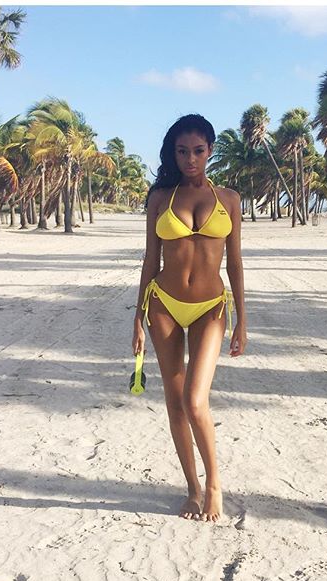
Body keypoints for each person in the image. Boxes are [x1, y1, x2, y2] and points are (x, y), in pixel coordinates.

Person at [131, 114, 247, 523]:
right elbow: (150, 259)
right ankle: (193, 489)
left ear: (210, 150)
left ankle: (214, 484)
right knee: (175, 401)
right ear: (174, 153)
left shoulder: (229, 199)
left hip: (210, 307)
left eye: (198, 151)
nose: (190, 159)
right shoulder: (160, 198)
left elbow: (235, 262)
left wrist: (242, 320)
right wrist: (137, 317)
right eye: (182, 152)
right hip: (163, 304)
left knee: (195, 400)